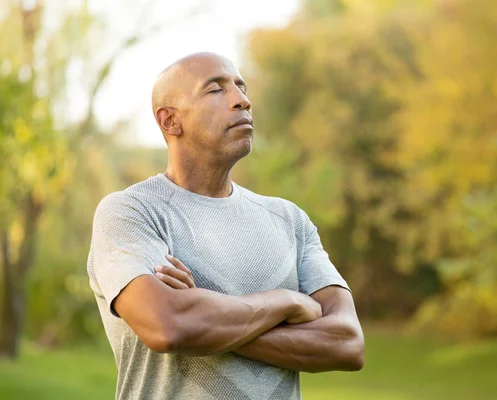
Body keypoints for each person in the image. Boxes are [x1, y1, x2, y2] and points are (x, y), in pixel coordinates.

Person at [87, 52, 364, 400]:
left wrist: (204, 317)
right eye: (215, 89)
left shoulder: (290, 220)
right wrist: (286, 303)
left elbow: (347, 344)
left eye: (240, 86)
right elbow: (166, 326)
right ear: (170, 121)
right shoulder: (132, 212)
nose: (242, 100)